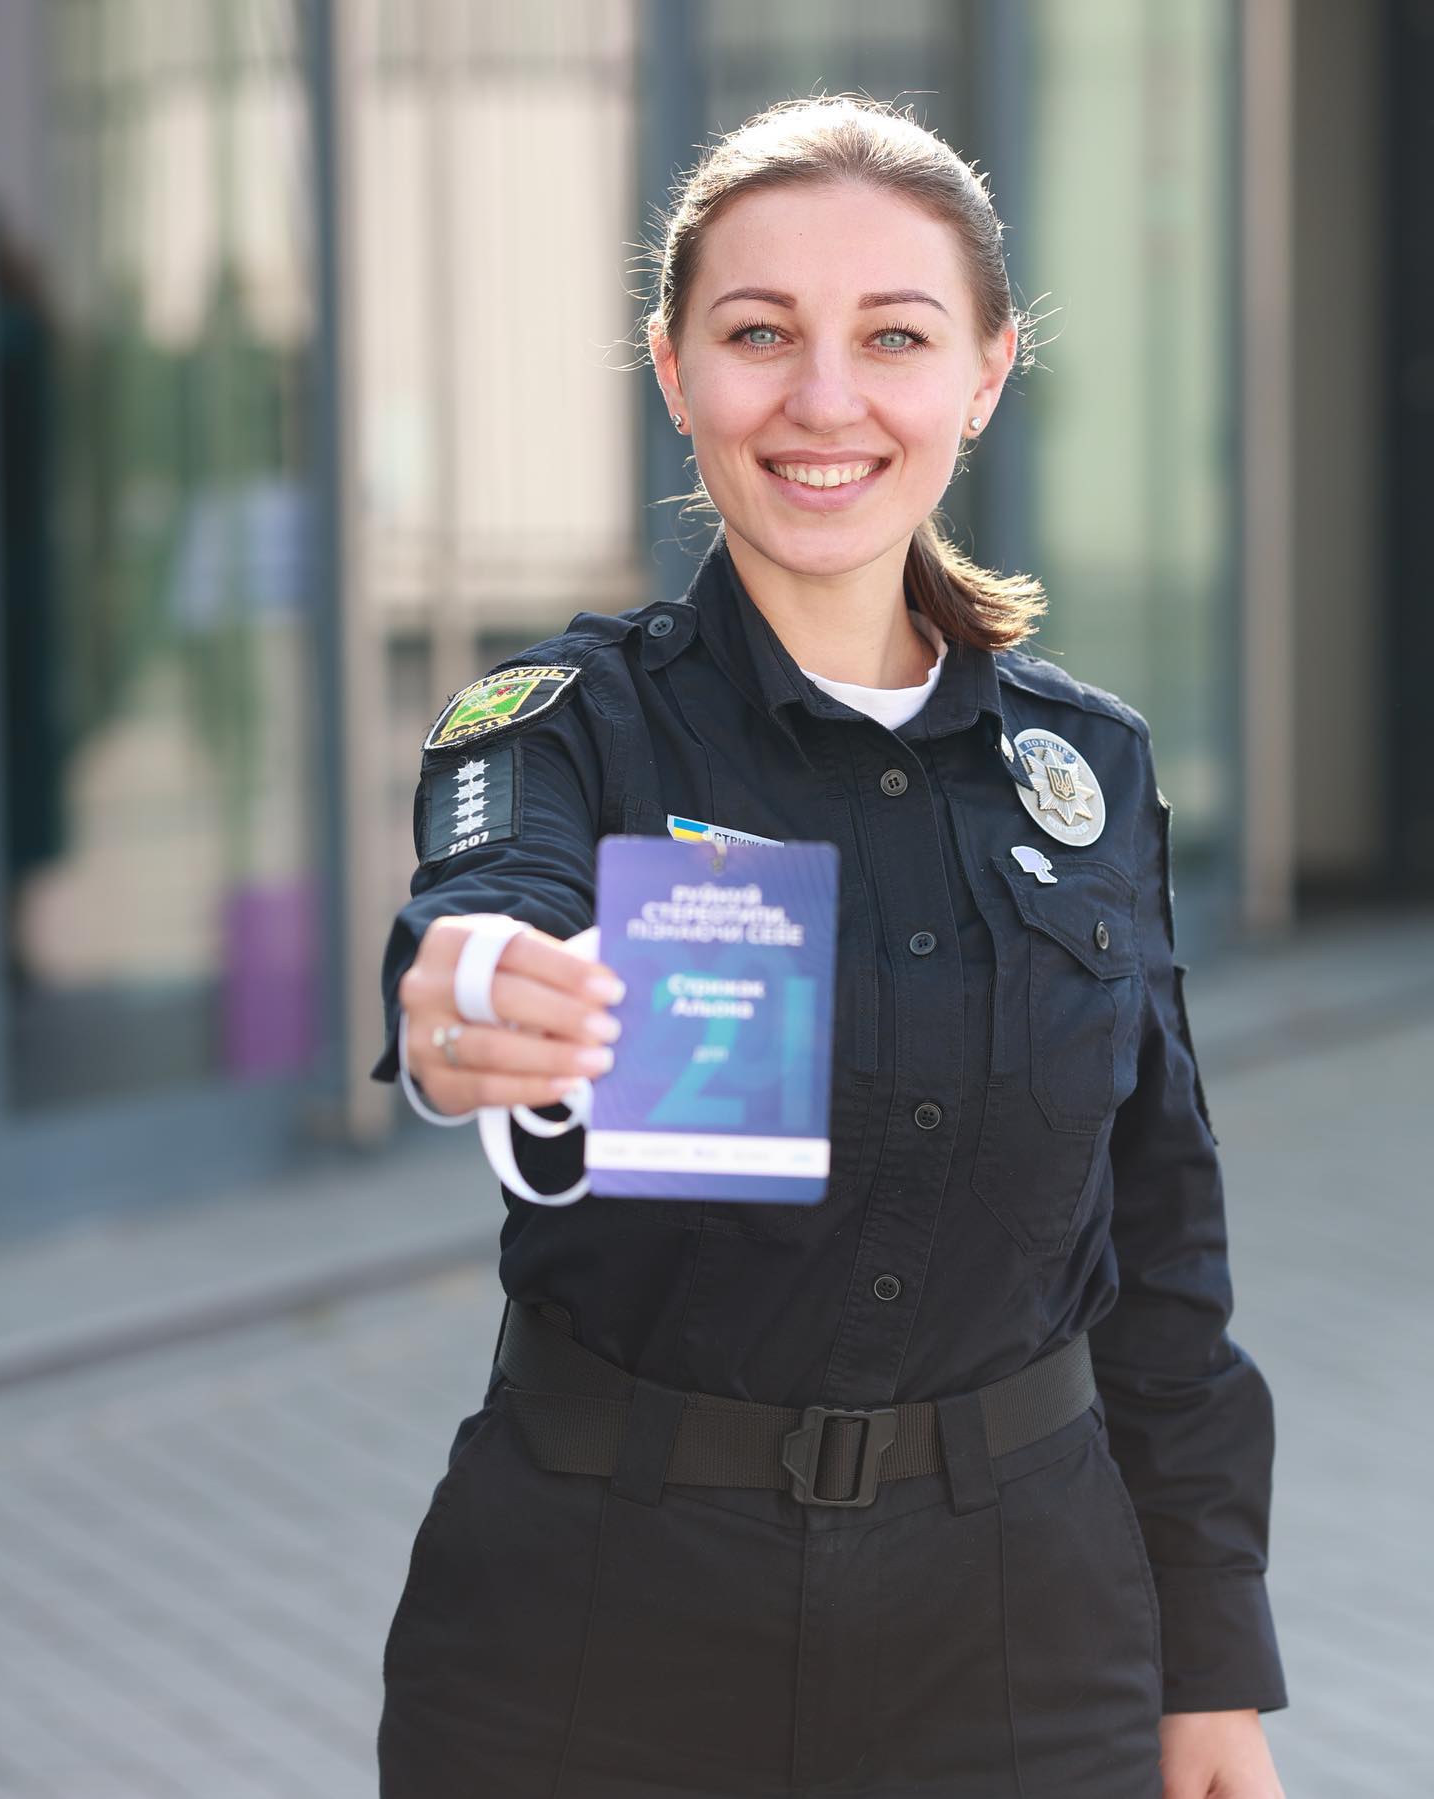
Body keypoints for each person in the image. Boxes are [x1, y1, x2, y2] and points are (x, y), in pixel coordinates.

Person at [373, 95, 1288, 1799]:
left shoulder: (1085, 767)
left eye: (894, 337)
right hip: (595, 1638)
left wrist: (1211, 1664)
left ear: (987, 373)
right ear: (674, 371)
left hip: (1022, 1645)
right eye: (758, 335)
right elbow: (487, 898)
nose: (823, 399)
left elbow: (1159, 1240)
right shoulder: (567, 723)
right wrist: (475, 986)